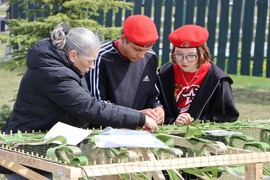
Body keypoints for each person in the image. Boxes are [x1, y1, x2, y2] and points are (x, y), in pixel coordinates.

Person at [2, 22, 158, 180]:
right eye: (90, 61)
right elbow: (89, 107)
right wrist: (139, 118)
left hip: (46, 149)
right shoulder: (55, 74)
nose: (92, 66)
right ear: (73, 55)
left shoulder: (65, 66)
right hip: (28, 152)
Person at [86, 15, 164, 125]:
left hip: (142, 128)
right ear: (123, 39)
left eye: (146, 50)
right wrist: (136, 117)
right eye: (137, 49)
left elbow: (152, 95)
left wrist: (158, 108)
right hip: (106, 130)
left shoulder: (151, 57)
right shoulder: (101, 56)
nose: (142, 55)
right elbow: (97, 105)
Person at [157, 24, 239, 125]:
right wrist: (173, 121)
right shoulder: (164, 75)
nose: (184, 61)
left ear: (202, 53)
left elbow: (229, 115)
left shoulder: (218, 79)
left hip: (205, 136)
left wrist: (197, 121)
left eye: (191, 56)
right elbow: (156, 107)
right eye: (179, 55)